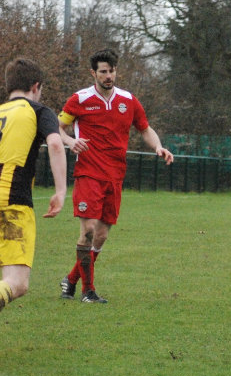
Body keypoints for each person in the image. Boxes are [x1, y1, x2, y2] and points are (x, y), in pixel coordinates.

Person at [57, 48, 173, 303]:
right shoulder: (79, 99)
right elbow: (58, 128)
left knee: (101, 236)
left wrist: (158, 146)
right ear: (93, 73)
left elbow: (145, 128)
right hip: (88, 173)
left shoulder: (128, 100)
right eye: (103, 71)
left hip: (115, 176)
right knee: (88, 230)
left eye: (111, 71)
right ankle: (88, 291)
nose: (108, 76)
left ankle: (71, 279)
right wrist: (70, 141)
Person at [0, 57, 68, 312]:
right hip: (12, 203)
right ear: (36, 86)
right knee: (16, 283)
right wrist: (61, 191)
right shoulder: (39, 111)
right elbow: (55, 144)